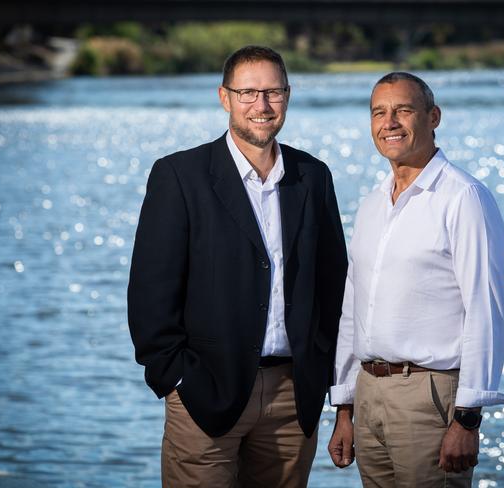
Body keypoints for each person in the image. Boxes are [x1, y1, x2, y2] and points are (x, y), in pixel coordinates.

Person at [127, 45, 347, 488]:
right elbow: (151, 293)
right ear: (224, 97)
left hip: (292, 397)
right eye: (248, 93)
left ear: (288, 95)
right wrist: (178, 378)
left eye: (272, 92)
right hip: (205, 392)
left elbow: (334, 285)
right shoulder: (179, 176)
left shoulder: (313, 176)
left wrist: (326, 377)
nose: (261, 106)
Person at [327, 72, 504, 487]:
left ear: (433, 117)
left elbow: (485, 310)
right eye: (379, 112)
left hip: (429, 398)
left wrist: (467, 419)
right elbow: (353, 309)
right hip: (369, 394)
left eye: (403, 110)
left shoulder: (463, 198)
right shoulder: (373, 204)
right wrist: (344, 406)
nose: (389, 122)